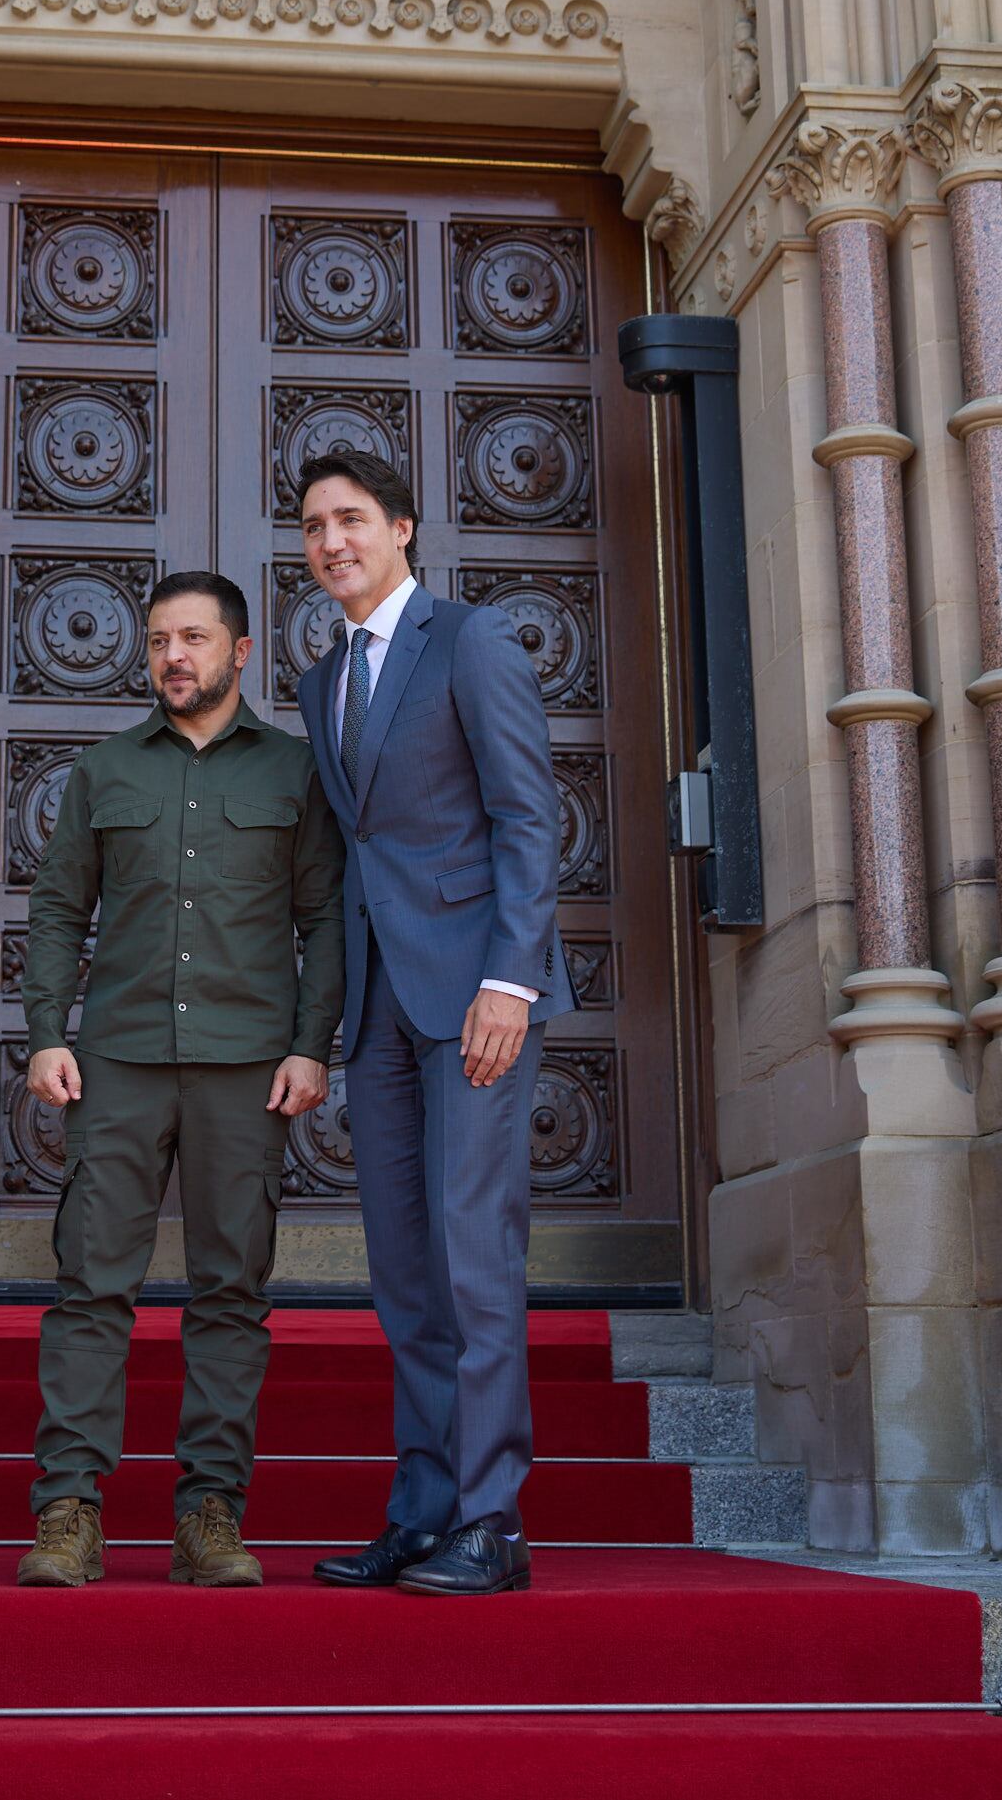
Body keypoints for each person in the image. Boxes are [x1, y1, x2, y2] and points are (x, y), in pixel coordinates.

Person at [13, 570, 345, 1588]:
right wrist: (44, 1031)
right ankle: (69, 1512)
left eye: (194, 639)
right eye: (160, 640)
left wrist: (310, 1043)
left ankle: (210, 1513)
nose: (173, 658)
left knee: (231, 1294)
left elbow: (325, 918)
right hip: (116, 1063)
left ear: (240, 652)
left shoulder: (294, 774)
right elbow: (61, 909)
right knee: (89, 1290)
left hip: (247, 1070)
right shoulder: (106, 772)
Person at [294, 449, 571, 1598]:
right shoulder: (321, 680)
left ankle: (492, 1523)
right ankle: (423, 1513)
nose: (330, 542)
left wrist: (509, 982)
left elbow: (526, 814)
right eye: (312, 526)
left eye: (352, 518)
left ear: (403, 527)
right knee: (407, 1277)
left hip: (473, 1004)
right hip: (380, 1009)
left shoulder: (470, 640)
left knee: (473, 1262)